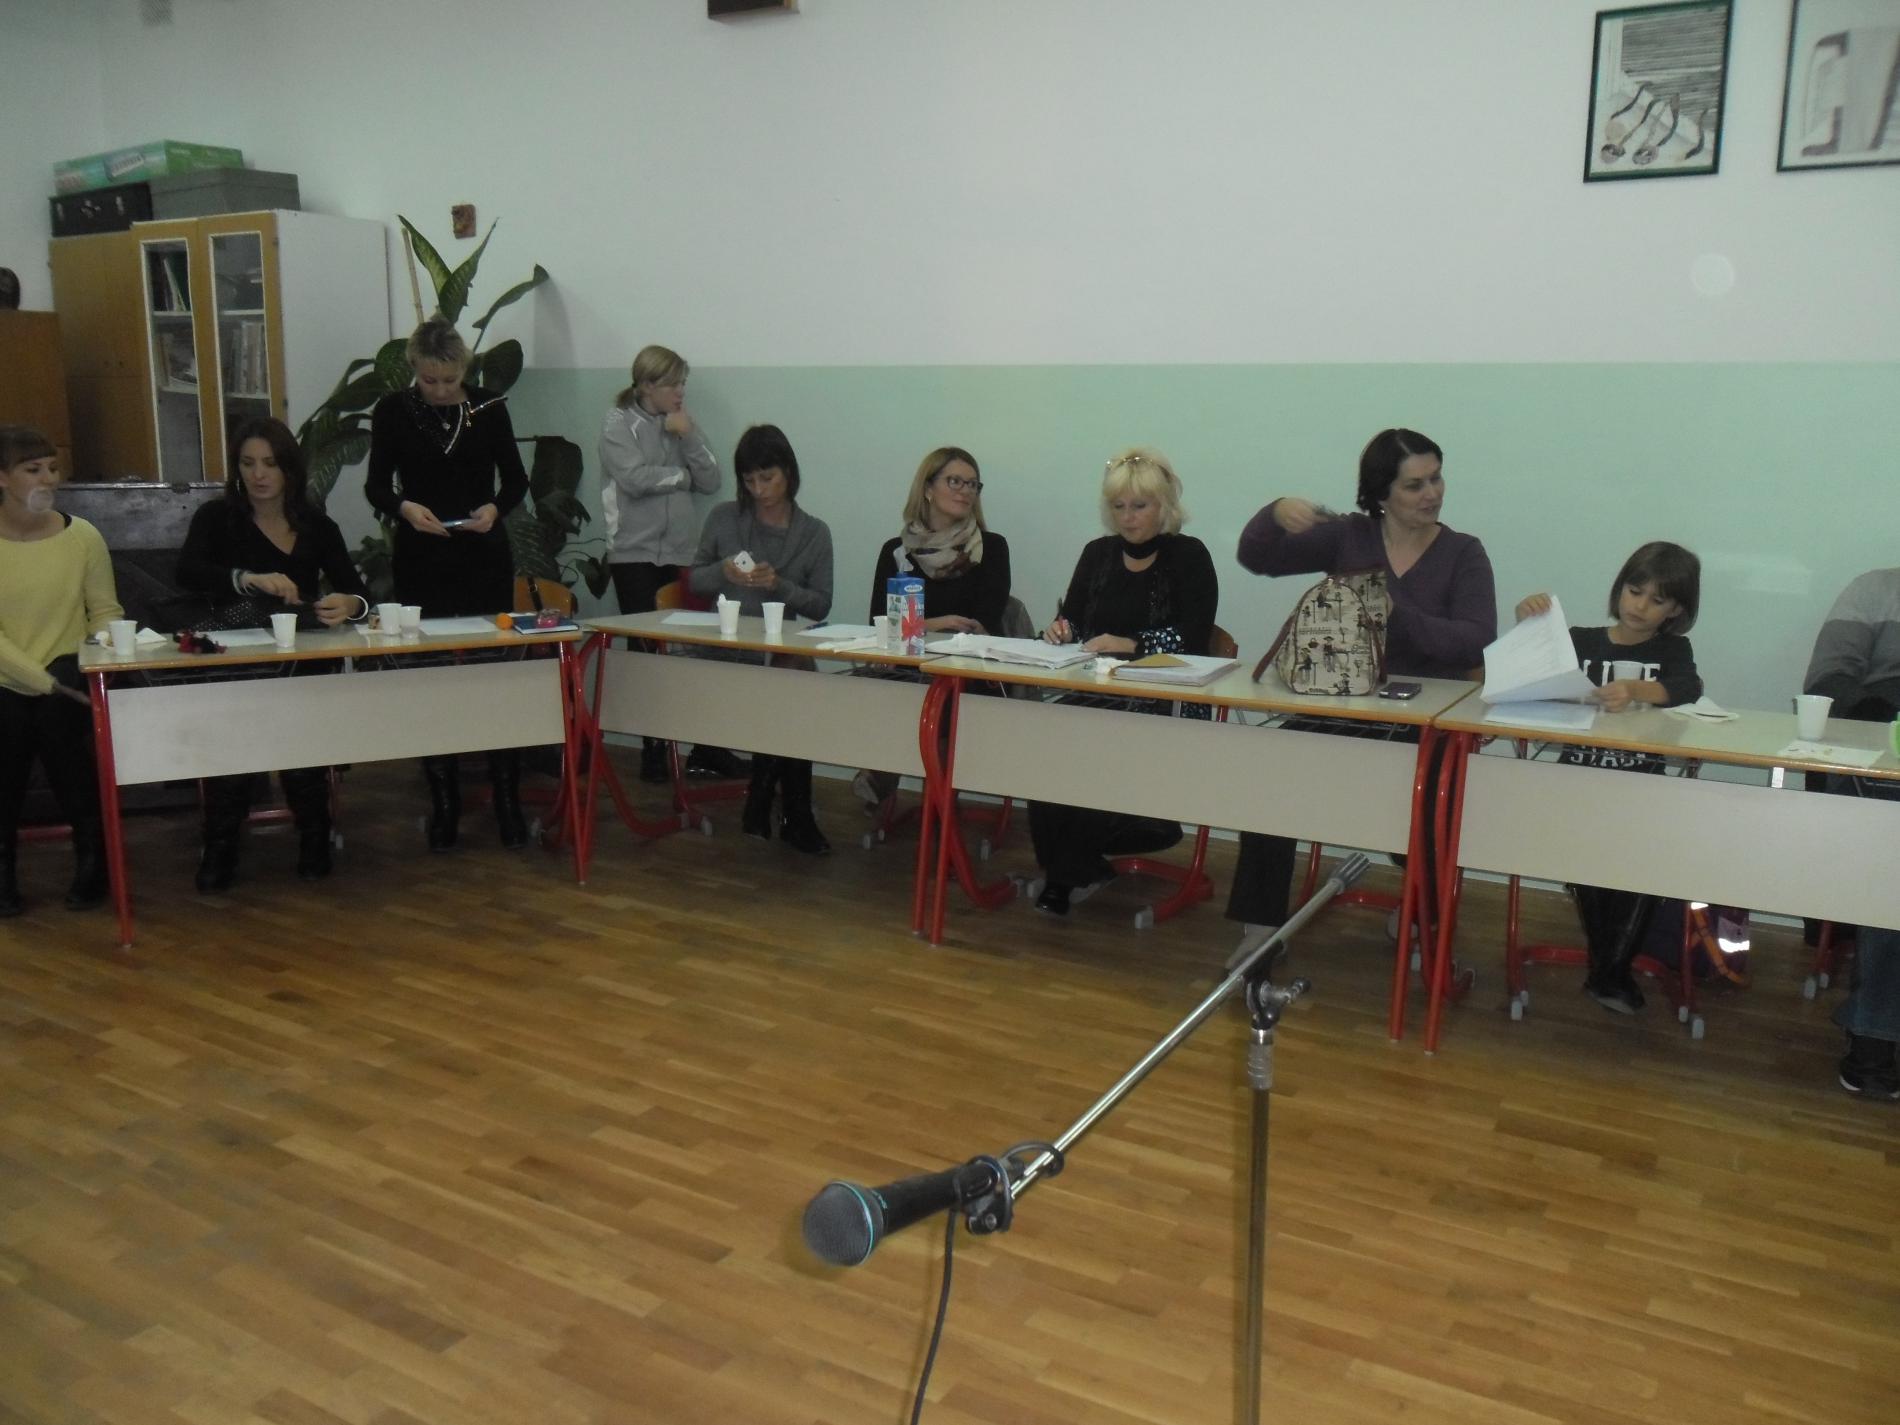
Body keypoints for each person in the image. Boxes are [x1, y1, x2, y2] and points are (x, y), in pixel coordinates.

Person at [1224, 428, 1496, 938]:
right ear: (1381, 494)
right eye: (1414, 485)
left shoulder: (1463, 552)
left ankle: (1426, 919)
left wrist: (1398, 615)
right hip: (1345, 706)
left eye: (1436, 479)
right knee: (1272, 766)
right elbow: (1258, 557)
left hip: (1426, 725)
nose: (1432, 493)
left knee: (1432, 797)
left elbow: (1476, 641)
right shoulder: (1350, 536)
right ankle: (1258, 931)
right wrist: (1275, 512)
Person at [175, 418, 370, 890]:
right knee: (235, 740)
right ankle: (221, 843)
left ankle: (314, 834)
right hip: (236, 656)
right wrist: (245, 579)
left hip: (302, 656)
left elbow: (360, 594)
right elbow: (187, 572)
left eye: (269, 463)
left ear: (289, 469)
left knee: (303, 736)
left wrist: (349, 604)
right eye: (248, 464)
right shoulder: (216, 518)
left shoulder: (317, 525)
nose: (258, 475)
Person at [1514, 541, 1703, 1011]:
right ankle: (1611, 973)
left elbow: (1688, 687)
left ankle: (1609, 971)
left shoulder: (1673, 649)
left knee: (1645, 860)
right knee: (1587, 857)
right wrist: (1528, 623)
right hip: (1575, 788)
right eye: (1635, 592)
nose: (1640, 606)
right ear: (1620, 589)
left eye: (1657, 600)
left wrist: (1638, 689)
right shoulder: (1581, 640)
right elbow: (1530, 672)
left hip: (1642, 790)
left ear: (1675, 610)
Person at [365, 317, 531, 851]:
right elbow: (376, 485)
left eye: (450, 380)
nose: (439, 391)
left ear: (465, 370)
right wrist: (404, 508)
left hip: (482, 554)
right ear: (414, 369)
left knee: (494, 677)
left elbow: (516, 479)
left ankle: (507, 799)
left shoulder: (489, 407)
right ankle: (443, 802)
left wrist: (494, 509)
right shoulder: (393, 410)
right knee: (432, 677)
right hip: (422, 557)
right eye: (429, 380)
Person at [1028, 448, 1217, 916]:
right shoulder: (1098, 554)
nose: (1127, 517)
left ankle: (1066, 874)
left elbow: (1195, 637)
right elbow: (1073, 619)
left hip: (1167, 702)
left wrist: (1132, 644)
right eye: (1119, 507)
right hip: (1099, 692)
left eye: (1139, 506)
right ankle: (1072, 866)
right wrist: (1061, 631)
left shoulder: (1189, 556)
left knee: (1094, 745)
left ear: (1164, 506)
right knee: (1041, 736)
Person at [598, 344, 745, 783]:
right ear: (647, 385)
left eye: (683, 383)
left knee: (690, 648)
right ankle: (653, 749)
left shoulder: (680, 423)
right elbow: (633, 479)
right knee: (647, 650)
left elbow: (712, 479)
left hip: (680, 553)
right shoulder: (618, 423)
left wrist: (689, 436)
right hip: (633, 554)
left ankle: (702, 747)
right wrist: (681, 477)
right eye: (673, 384)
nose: (681, 391)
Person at [688, 424, 835, 854]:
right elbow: (694, 580)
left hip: (777, 654)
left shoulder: (814, 532)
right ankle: (789, 809)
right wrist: (722, 572)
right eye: (750, 480)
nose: (759, 490)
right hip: (723, 651)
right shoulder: (724, 518)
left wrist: (779, 586)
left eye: (767, 478)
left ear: (788, 472)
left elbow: (821, 605)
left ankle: (769, 796)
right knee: (791, 686)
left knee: (795, 676)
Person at [0, 425, 121, 916]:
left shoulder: (83, 536)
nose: (48, 478)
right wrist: (43, 681)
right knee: (9, 731)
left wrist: (89, 659)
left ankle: (93, 860)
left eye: (52, 468)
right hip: (10, 677)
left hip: (68, 670)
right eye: (33, 469)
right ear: (3, 478)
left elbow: (106, 613)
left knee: (61, 733)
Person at [855, 446, 1013, 809]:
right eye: (955, 481)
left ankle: (920, 798)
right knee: (867, 683)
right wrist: (935, 624)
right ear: (927, 488)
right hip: (908, 665)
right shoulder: (896, 551)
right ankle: (885, 770)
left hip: (967, 673)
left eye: (972, 484)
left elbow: (981, 622)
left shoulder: (991, 548)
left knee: (939, 696)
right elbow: (879, 623)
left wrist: (917, 628)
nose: (965, 491)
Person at [1802, 567, 1900, 1097]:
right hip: (1879, 755)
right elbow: (1828, 682)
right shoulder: (1877, 591)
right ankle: (1875, 1035)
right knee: (1894, 863)